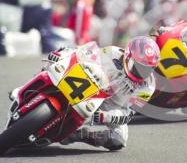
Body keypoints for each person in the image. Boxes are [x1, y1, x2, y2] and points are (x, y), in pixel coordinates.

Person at [10, 37, 160, 151]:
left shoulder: (148, 86)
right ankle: (24, 88)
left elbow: (128, 114)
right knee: (53, 62)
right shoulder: (112, 52)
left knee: (119, 139)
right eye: (138, 66)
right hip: (94, 83)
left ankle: (75, 134)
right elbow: (84, 53)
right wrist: (63, 54)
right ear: (128, 56)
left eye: (146, 69)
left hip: (111, 106)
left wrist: (104, 116)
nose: (141, 73)